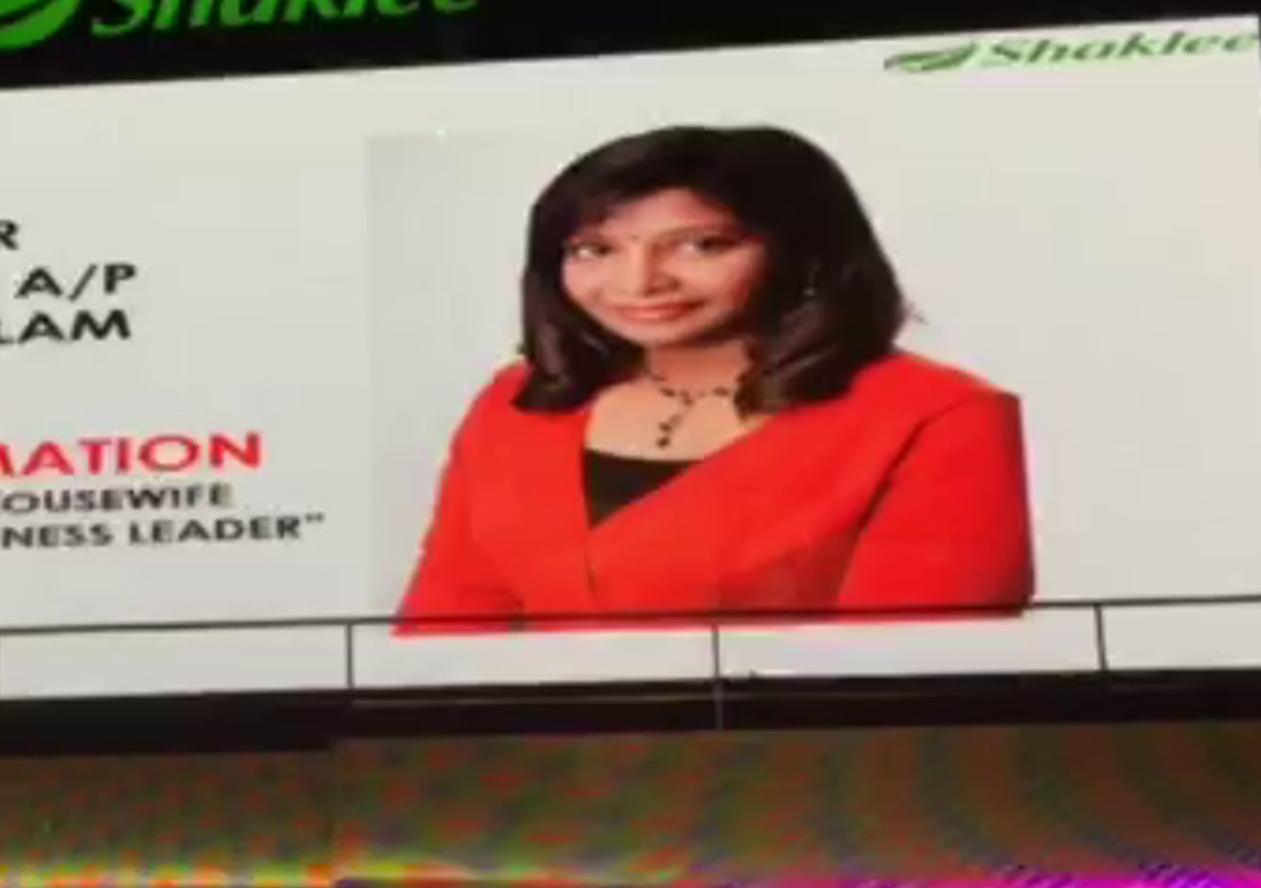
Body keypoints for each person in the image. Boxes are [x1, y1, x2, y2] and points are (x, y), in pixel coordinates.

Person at [396, 125, 1033, 633]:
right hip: (523, 755)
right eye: (595, 249)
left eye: (700, 245)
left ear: (804, 253)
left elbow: (912, 677)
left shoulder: (939, 415)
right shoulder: (519, 401)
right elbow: (440, 637)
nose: (639, 282)